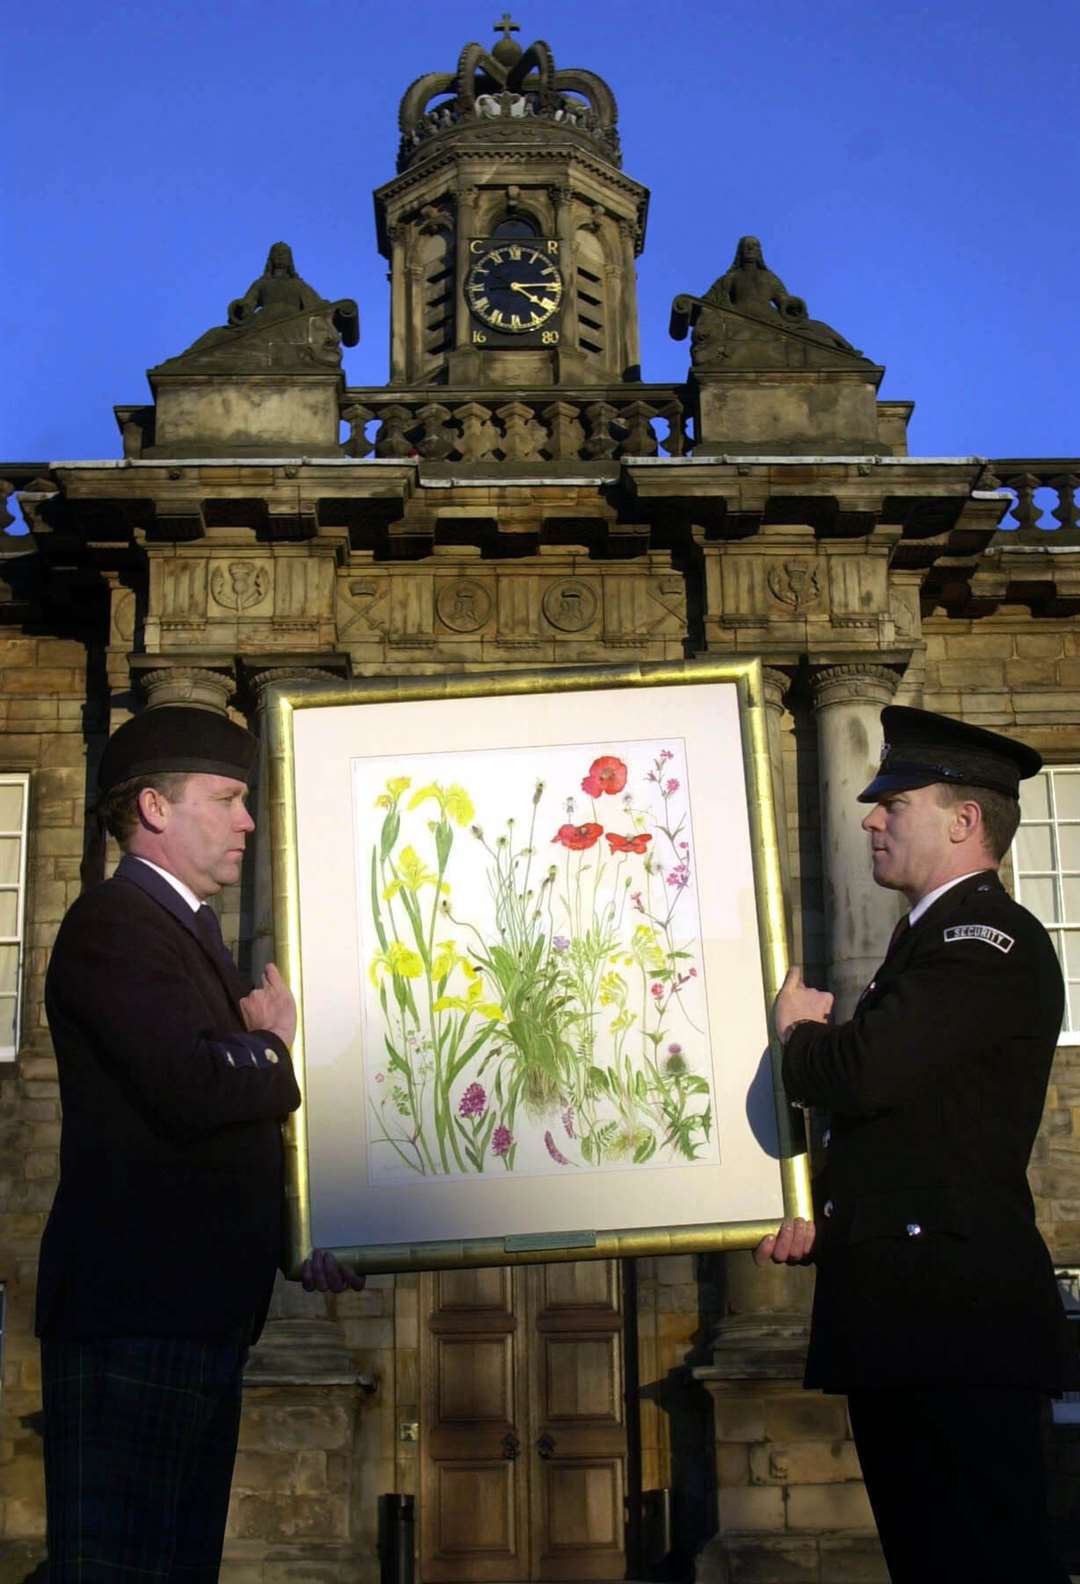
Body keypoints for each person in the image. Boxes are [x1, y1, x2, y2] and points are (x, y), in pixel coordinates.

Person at [36, 704, 361, 1583]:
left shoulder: (186, 936)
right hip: (134, 1319)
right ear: (153, 808)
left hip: (193, 1317)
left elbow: (216, 1145)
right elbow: (194, 1088)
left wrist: (303, 1240)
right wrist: (272, 1046)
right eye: (227, 798)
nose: (249, 821)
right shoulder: (113, 924)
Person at [757, 705, 1072, 1583]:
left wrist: (796, 1038)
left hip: (953, 1321)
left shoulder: (983, 940)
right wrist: (821, 1214)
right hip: (911, 1311)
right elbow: (914, 1133)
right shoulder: (930, 942)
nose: (872, 818)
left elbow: (862, 1073)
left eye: (897, 801)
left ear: (965, 821)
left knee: (987, 1563)